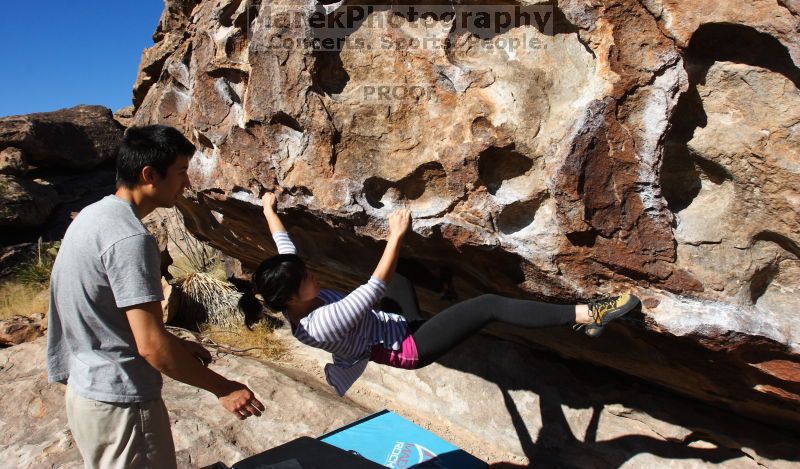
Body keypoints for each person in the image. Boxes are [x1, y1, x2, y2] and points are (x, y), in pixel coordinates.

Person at [239, 191, 640, 397]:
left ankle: (445, 289)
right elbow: (373, 287)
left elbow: (285, 250)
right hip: (409, 346)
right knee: (488, 306)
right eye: (305, 279)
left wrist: (268, 209)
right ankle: (591, 315)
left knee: (402, 276)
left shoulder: (293, 294)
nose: (312, 275)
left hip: (393, 324)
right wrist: (395, 236)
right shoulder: (322, 323)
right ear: (292, 300)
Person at [46, 125, 264, 469]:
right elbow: (150, 346)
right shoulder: (130, 238)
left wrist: (175, 343)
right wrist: (223, 388)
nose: (187, 184)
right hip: (122, 405)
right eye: (180, 173)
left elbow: (101, 316)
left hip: (87, 392)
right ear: (149, 174)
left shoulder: (91, 217)